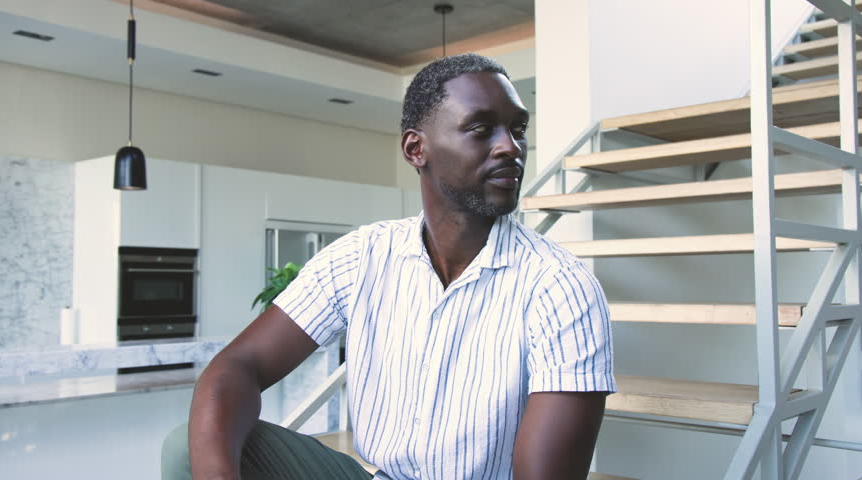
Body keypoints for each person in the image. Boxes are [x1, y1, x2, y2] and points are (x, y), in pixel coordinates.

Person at [162, 53, 616, 480]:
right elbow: (238, 366)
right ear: (416, 149)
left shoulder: (560, 286)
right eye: (481, 129)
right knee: (188, 445)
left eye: (518, 129)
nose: (511, 148)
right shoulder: (362, 256)